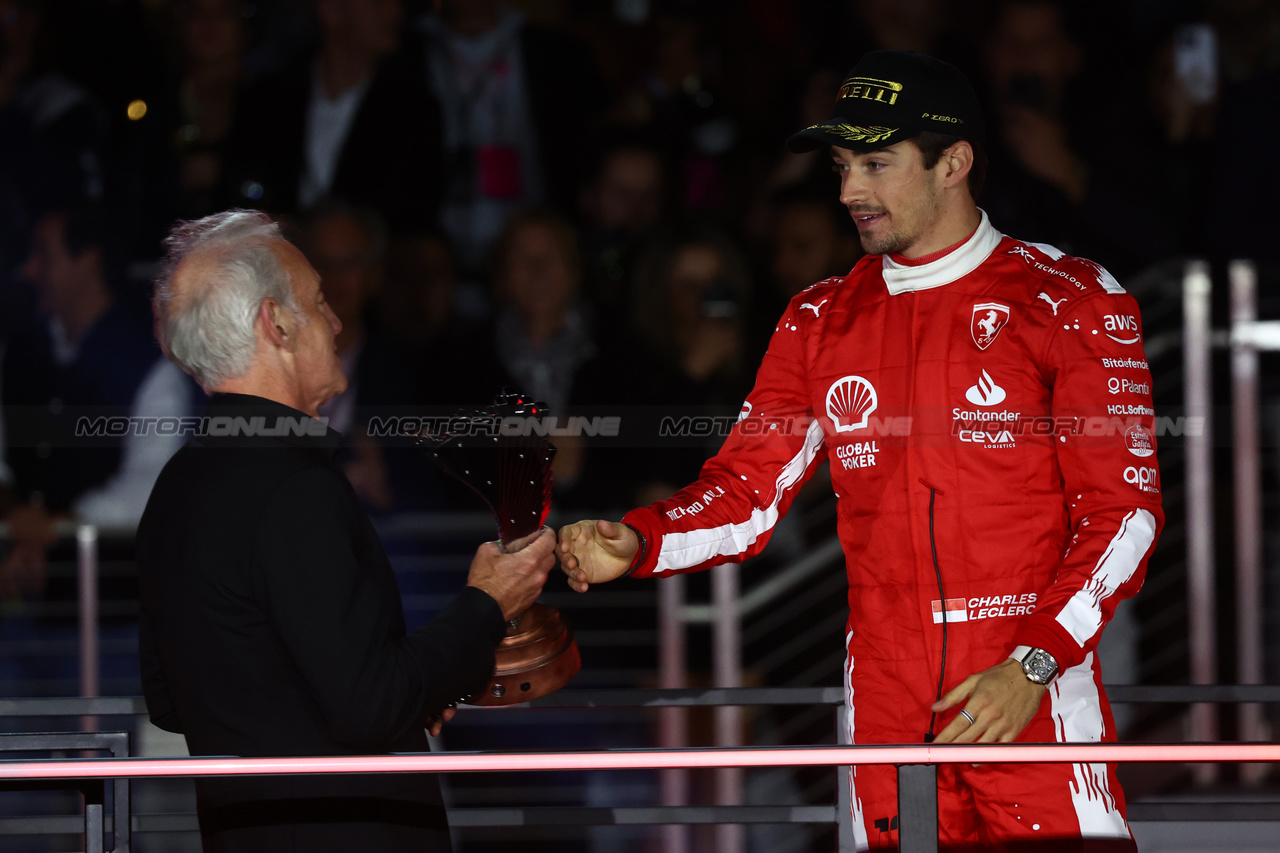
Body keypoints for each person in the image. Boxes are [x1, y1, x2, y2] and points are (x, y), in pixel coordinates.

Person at [558, 50, 1162, 850]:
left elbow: (1126, 515)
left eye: (876, 163)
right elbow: (746, 494)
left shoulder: (1071, 298)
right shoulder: (817, 318)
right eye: (843, 165)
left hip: (1031, 693)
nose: (849, 192)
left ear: (955, 162)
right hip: (886, 706)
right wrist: (638, 541)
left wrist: (1035, 663)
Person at [136, 209, 557, 851]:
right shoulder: (296, 488)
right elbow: (370, 705)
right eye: (319, 300)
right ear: (275, 323)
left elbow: (176, 701)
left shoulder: (175, 488)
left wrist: (422, 677)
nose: (336, 322)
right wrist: (488, 601)